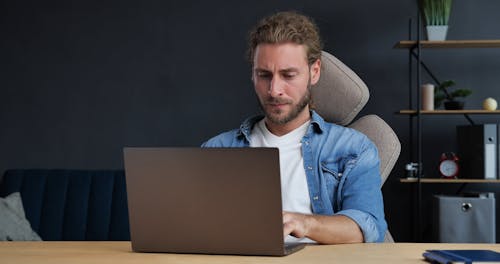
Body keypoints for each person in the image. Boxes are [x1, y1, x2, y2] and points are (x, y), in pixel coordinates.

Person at [202, 11, 387, 244]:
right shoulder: (217, 149)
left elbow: (367, 227)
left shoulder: (354, 149)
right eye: (264, 75)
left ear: (314, 71)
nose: (274, 89)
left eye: (288, 75)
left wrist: (304, 223)